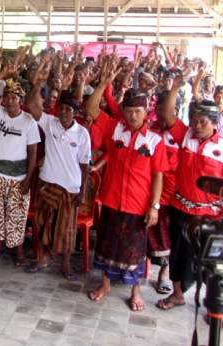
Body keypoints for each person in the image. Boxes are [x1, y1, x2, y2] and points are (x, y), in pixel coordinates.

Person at [85, 59, 168, 312]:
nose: (132, 115)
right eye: (129, 110)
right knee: (107, 243)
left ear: (146, 114)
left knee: (135, 250)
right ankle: (105, 284)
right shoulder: (115, 129)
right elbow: (91, 109)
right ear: (124, 111)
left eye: (138, 111)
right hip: (111, 199)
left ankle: (136, 291)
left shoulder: (154, 140)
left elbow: (158, 176)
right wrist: (103, 83)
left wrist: (154, 207)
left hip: (138, 204)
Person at [155, 74, 223, 311]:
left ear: (215, 123)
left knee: (213, 260)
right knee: (179, 255)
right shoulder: (185, 136)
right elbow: (167, 114)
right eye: (194, 120)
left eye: (203, 121)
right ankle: (177, 294)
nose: (197, 125)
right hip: (181, 209)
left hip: (211, 216)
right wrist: (174, 87)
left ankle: (215, 303)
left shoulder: (221, 148)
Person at [23, 60, 91, 282]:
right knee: (43, 224)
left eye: (68, 109)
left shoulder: (82, 134)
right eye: (61, 108)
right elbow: (33, 106)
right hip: (48, 182)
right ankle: (42, 259)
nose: (63, 112)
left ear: (75, 112)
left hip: (70, 187)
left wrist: (81, 191)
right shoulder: (50, 122)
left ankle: (65, 263)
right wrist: (39, 82)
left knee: (67, 228)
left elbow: (84, 164)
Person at [0, 65, 39, 267]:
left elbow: (32, 153)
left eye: (15, 98)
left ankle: (18, 250)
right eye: (8, 97)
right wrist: (3, 74)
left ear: (21, 101)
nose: (11, 101)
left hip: (19, 176)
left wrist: (28, 179)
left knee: (16, 214)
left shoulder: (29, 121)